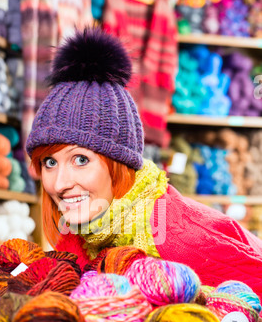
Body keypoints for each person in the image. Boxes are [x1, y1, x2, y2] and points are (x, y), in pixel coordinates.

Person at [24, 26, 262, 301]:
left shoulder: (177, 239)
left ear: (119, 164)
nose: (60, 183)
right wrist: (11, 284)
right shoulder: (83, 228)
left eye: (80, 159)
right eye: (50, 162)